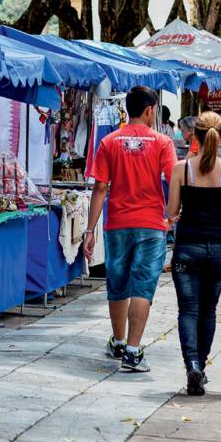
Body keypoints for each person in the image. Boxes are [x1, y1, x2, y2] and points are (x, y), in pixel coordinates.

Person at [84, 86, 177, 372]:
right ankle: (134, 353)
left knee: (118, 284)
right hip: (151, 224)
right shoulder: (162, 142)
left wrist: (89, 230)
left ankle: (119, 341)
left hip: (117, 224)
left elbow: (100, 187)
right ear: (150, 110)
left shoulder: (109, 142)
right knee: (143, 285)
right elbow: (175, 180)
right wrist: (172, 216)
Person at [167, 112, 221, 396]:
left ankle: (191, 364)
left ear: (194, 136)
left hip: (187, 247)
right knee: (209, 311)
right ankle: (201, 364)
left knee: (188, 310)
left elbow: (172, 211)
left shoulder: (181, 169)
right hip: (219, 249)